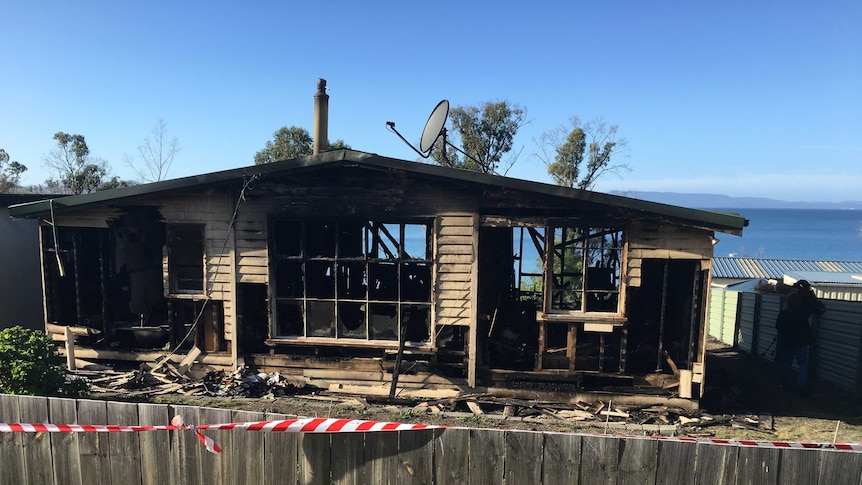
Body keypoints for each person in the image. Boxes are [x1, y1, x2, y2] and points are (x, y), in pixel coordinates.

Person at [775, 281, 824, 396]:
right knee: (803, 365)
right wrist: (809, 293)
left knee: (786, 364)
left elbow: (778, 326)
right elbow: (820, 309)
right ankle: (801, 386)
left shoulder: (785, 313)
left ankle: (786, 384)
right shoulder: (804, 311)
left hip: (787, 342)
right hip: (802, 342)